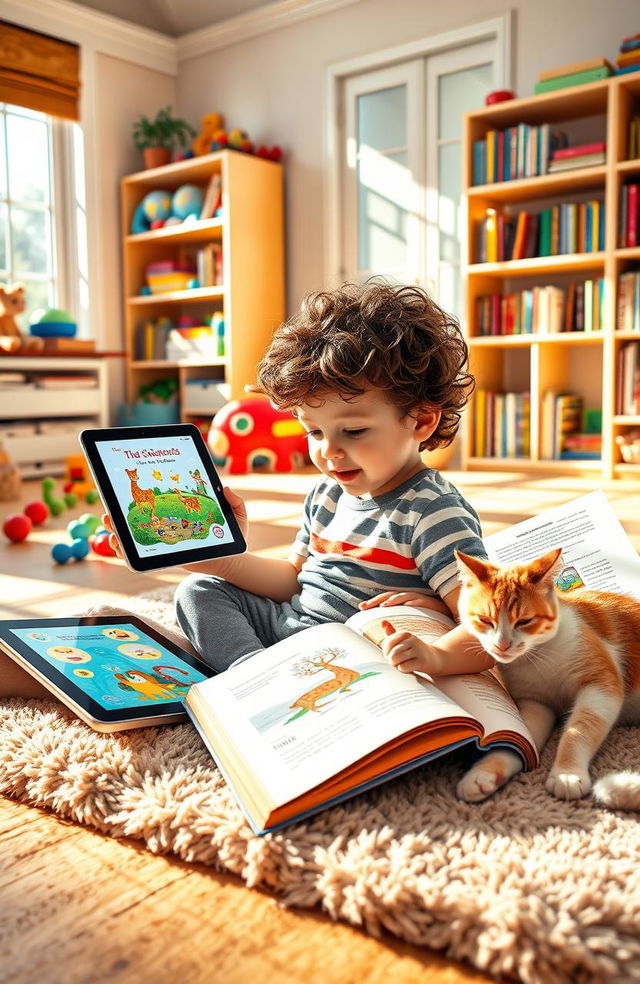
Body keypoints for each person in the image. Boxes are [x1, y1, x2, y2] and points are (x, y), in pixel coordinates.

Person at [103, 281, 494, 679]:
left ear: (422, 421)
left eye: (354, 431)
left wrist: (438, 637)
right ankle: (251, 674)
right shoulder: (327, 493)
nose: (328, 451)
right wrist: (220, 560)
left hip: (355, 653)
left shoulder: (433, 511)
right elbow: (295, 580)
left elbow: (487, 625)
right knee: (198, 590)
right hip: (292, 627)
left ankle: (256, 678)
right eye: (314, 432)